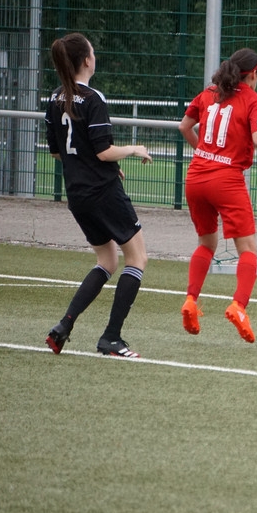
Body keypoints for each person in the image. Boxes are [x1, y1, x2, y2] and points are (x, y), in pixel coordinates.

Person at [43, 32, 151, 358]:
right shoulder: (93, 98)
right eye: (92, 51)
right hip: (102, 192)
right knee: (137, 258)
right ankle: (111, 338)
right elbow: (103, 151)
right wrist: (134, 150)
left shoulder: (54, 98)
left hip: (77, 193)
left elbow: (59, 153)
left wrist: (99, 165)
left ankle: (63, 327)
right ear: (87, 60)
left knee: (107, 260)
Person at [178, 48, 257, 343]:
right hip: (227, 180)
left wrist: (203, 152)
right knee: (247, 249)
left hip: (196, 177)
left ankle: (190, 300)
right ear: (255, 73)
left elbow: (184, 126)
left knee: (206, 243)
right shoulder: (253, 100)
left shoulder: (209, 93)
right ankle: (238, 306)